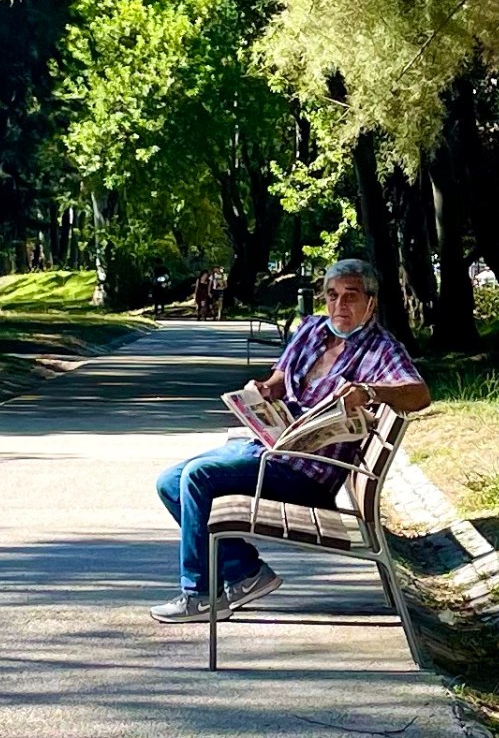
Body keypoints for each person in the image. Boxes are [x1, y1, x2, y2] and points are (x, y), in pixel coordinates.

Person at [150, 257, 430, 623]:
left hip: (309, 473)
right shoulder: (312, 329)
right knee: (170, 481)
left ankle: (200, 595)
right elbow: (281, 378)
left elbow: (418, 394)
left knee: (199, 476)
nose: (339, 305)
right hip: (270, 449)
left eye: (351, 296)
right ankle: (245, 572)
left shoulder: (381, 348)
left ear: (371, 302)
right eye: (332, 295)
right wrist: (264, 389)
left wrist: (369, 392)